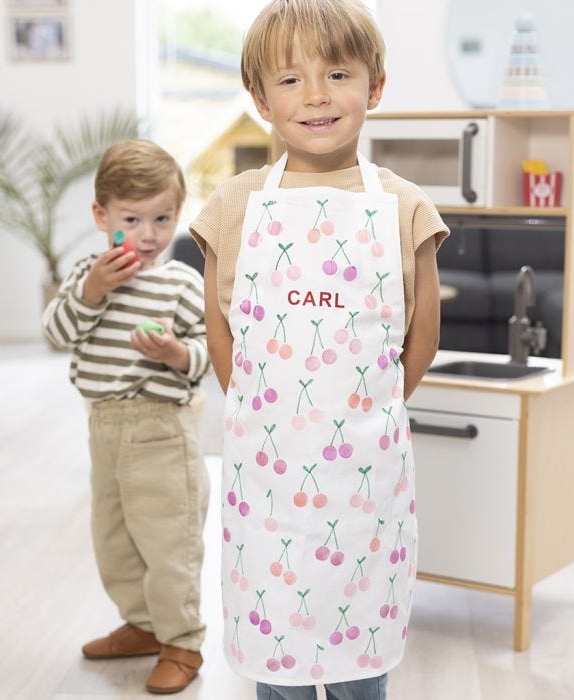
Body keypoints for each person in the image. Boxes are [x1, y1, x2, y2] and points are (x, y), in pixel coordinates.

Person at [191, 1, 449, 697]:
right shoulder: (234, 204)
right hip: (267, 475)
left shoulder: (403, 204)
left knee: (361, 655)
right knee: (276, 648)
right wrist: (251, 407)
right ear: (259, 100)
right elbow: (222, 321)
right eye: (290, 79)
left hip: (363, 472)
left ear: (375, 86)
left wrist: (377, 407)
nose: (316, 96)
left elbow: (420, 329)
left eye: (337, 73)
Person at [42, 139, 210, 695]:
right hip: (104, 426)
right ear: (102, 216)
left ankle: (181, 642)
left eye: (162, 218)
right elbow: (57, 333)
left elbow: (213, 350)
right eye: (132, 219)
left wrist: (175, 355)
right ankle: (142, 626)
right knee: (114, 539)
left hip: (161, 429)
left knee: (169, 543)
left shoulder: (181, 284)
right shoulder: (89, 276)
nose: (148, 234)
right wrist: (92, 290)